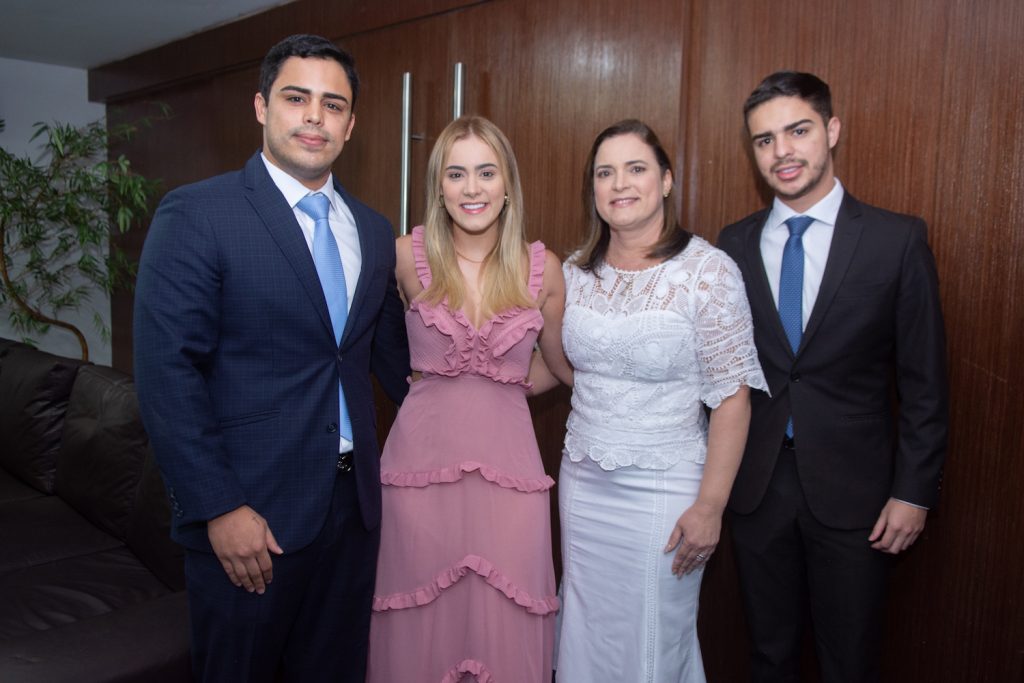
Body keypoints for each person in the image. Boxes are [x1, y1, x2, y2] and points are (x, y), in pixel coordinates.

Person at [133, 34, 410, 683]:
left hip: (354, 513)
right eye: (297, 97)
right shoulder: (199, 214)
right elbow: (168, 374)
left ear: (351, 123)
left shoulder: (372, 230)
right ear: (261, 107)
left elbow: (393, 361)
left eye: (333, 104)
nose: (315, 116)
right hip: (250, 518)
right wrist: (218, 506)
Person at [717, 71, 949, 682]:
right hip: (757, 488)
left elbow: (925, 383)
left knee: (850, 662)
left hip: (858, 496)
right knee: (768, 655)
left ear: (831, 130)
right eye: (764, 140)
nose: (782, 151)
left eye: (797, 130)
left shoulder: (896, 241)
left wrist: (914, 491)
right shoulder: (732, 246)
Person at [556, 119, 766, 683]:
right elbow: (550, 369)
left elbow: (732, 398)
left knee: (655, 636)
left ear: (666, 181)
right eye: (605, 172)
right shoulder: (574, 273)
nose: (619, 183)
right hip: (583, 479)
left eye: (636, 168)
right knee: (584, 626)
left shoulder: (709, 272)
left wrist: (711, 507)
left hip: (666, 490)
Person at [368, 115, 572, 682]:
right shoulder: (405, 256)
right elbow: (360, 343)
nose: (472, 188)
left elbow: (560, 366)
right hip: (417, 475)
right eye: (456, 174)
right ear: (438, 185)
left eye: (486, 172)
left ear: (508, 184)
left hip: (512, 477)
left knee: (506, 620)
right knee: (416, 620)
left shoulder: (543, 269)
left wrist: (500, 390)